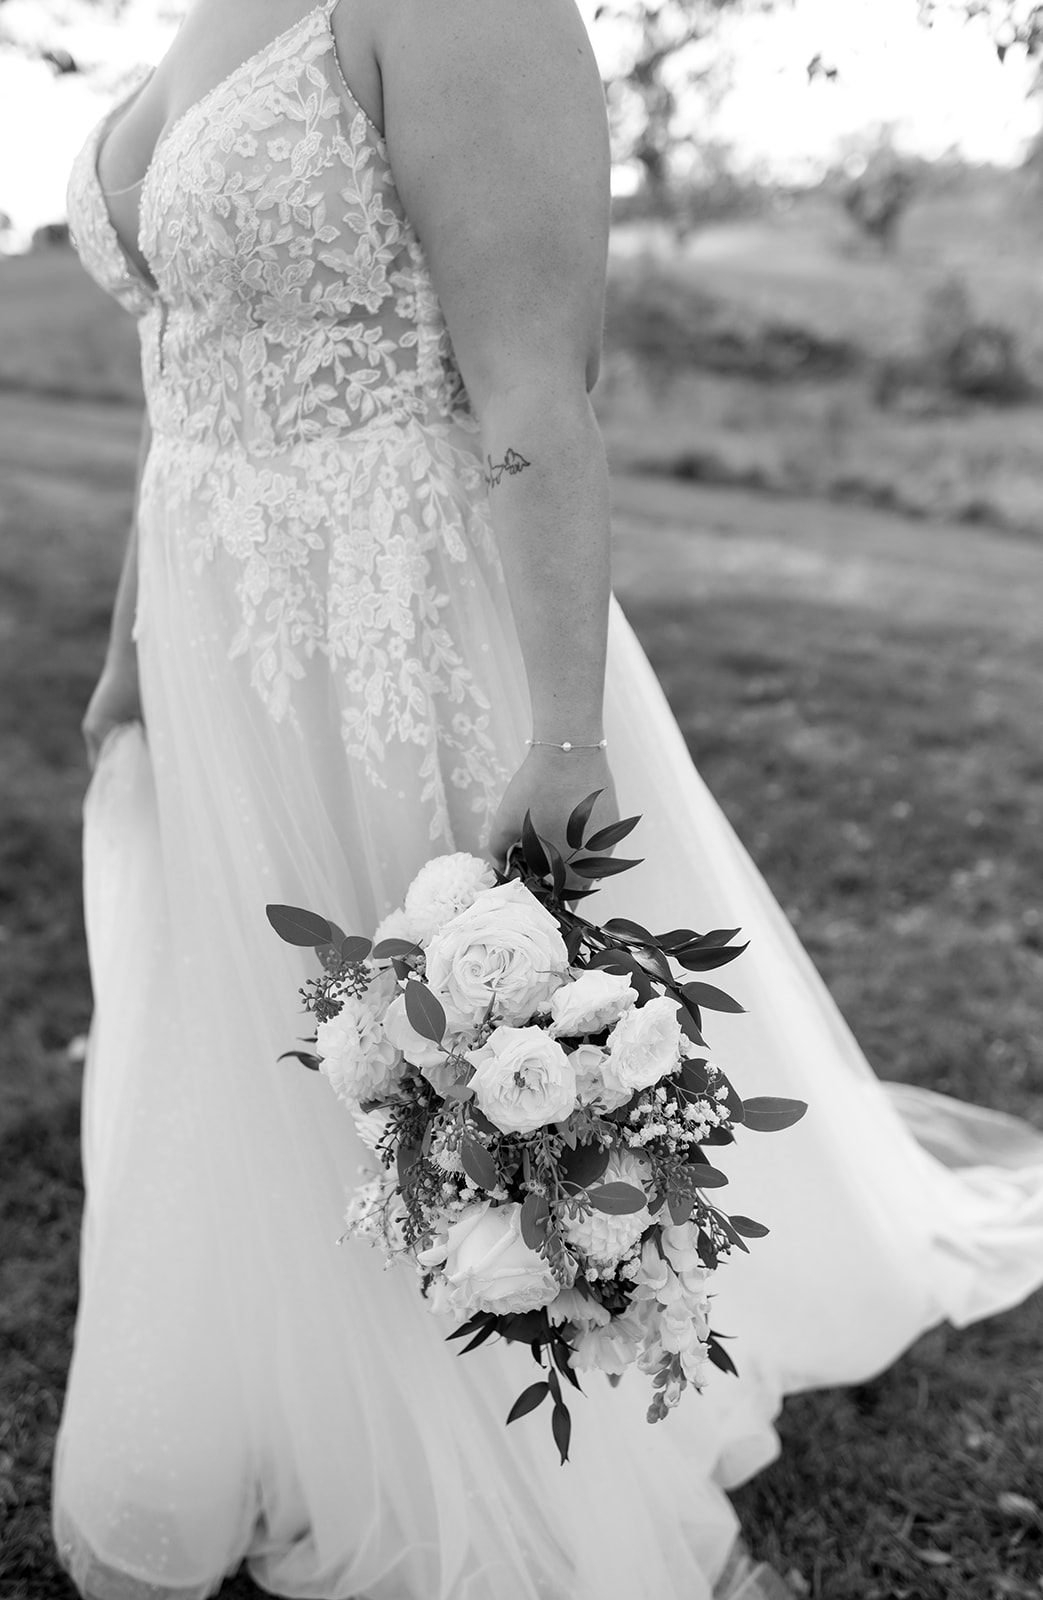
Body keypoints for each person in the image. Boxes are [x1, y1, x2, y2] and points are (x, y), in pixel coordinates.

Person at [57, 0, 1043, 1595]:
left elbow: (537, 390)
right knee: (264, 1046)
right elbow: (188, 389)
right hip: (218, 639)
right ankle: (304, 1396)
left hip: (397, 633)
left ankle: (528, 1469)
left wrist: (565, 736)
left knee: (434, 1061)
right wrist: (130, 653)